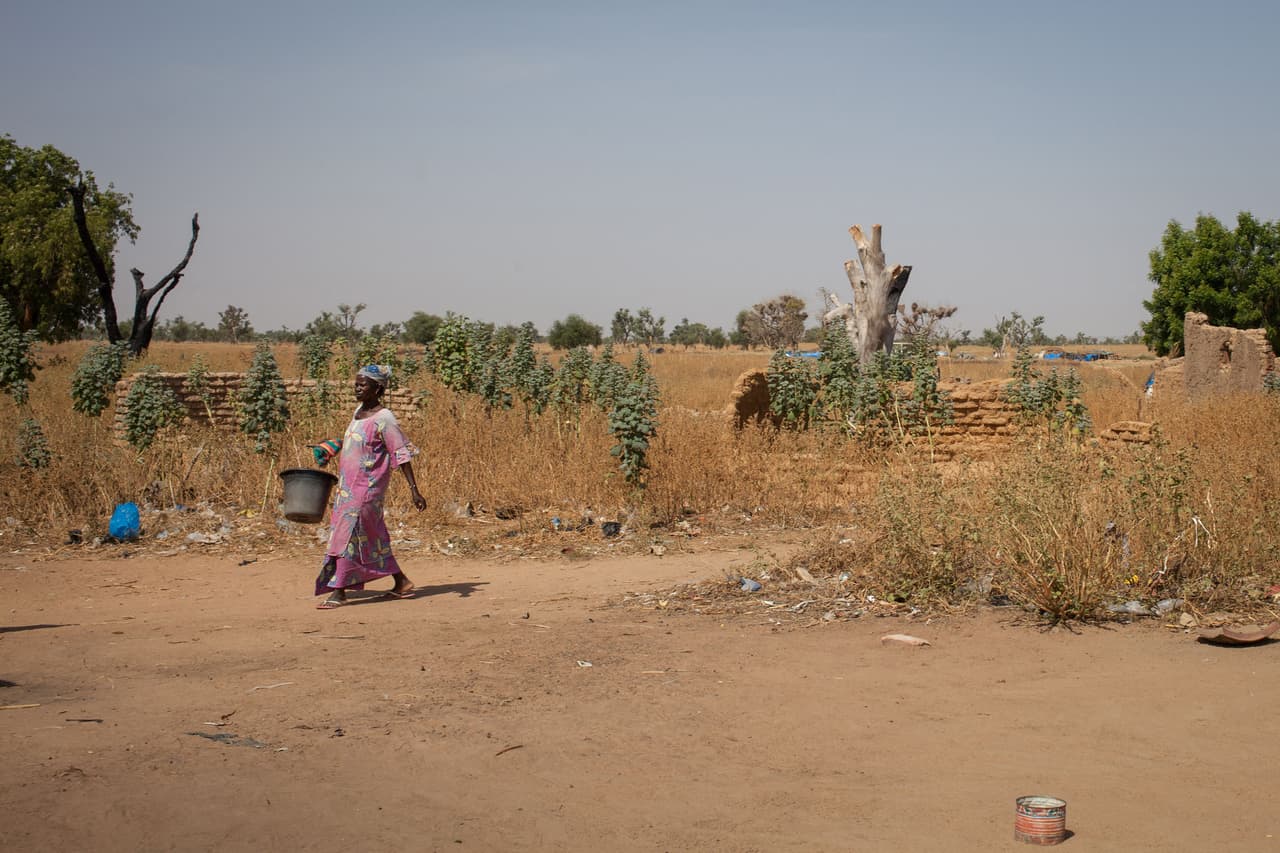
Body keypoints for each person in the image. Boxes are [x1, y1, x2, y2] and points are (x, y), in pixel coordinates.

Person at [311, 364, 427, 609]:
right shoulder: (358, 412)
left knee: (347, 534)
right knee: (371, 536)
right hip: (347, 488)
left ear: (378, 388)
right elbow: (360, 440)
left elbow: (401, 453)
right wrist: (332, 446)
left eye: (363, 384)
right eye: (356, 384)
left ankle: (339, 590)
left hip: (367, 489)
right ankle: (401, 581)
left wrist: (414, 490)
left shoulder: (385, 418)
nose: (357, 388)